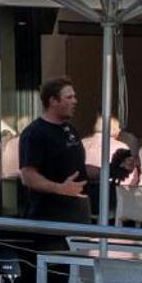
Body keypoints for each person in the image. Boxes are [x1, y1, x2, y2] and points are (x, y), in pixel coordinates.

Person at [18, 78, 91, 224]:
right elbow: (28, 176)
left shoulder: (70, 129)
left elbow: (75, 167)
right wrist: (61, 189)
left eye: (74, 97)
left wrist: (113, 169)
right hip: (50, 218)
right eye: (69, 97)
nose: (75, 101)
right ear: (53, 100)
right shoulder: (35, 133)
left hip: (77, 216)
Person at [84, 113, 140, 186]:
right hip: (110, 189)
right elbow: (130, 176)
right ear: (114, 129)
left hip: (81, 189)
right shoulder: (121, 147)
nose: (119, 130)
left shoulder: (81, 143)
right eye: (118, 128)